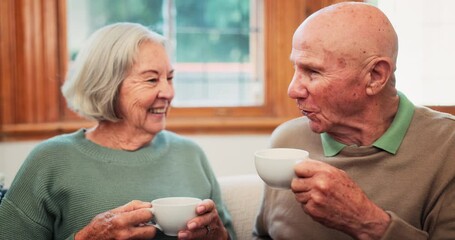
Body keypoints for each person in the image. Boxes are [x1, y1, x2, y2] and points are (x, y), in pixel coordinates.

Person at [0, 22, 234, 240]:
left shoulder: (190, 154)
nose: (168, 92)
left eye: (170, 78)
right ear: (107, 86)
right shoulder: (51, 160)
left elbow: (228, 235)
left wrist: (218, 235)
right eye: (152, 80)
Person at [253, 2, 455, 240]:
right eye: (295, 68)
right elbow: (263, 235)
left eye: (313, 72)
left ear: (375, 76)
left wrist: (366, 221)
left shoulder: (448, 148)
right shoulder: (286, 140)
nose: (293, 90)